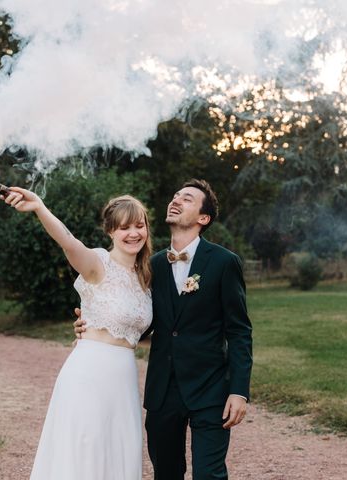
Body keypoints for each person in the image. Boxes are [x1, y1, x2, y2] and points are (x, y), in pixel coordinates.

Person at [75, 179, 253, 479]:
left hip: (210, 389)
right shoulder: (151, 266)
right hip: (163, 392)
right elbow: (138, 319)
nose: (176, 200)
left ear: (203, 218)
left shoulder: (224, 263)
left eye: (187, 198)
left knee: (209, 474)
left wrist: (239, 391)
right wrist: (90, 322)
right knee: (166, 473)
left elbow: (239, 331)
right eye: (175, 195)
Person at [1, 187, 153, 480]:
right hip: (89, 373)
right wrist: (40, 208)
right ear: (111, 231)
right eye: (124, 227)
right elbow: (68, 241)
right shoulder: (97, 264)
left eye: (139, 225)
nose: (133, 233)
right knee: (85, 450)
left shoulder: (145, 277)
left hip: (123, 379)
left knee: (120, 451)